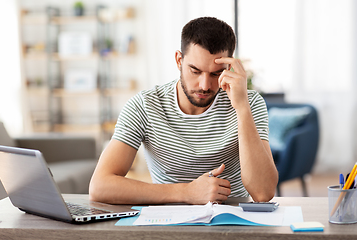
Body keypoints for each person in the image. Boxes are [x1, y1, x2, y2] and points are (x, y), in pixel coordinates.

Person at [89, 17, 278, 205]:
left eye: (216, 73)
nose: (205, 86)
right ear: (179, 60)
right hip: (170, 223)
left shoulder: (249, 103)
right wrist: (187, 192)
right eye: (195, 71)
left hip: (233, 222)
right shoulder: (145, 106)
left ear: (229, 67)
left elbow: (263, 193)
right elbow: (100, 186)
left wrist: (242, 107)